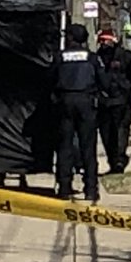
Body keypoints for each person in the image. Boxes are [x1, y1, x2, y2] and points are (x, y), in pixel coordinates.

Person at [52, 24, 108, 203]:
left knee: (64, 146)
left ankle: (64, 187)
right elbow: (104, 82)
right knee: (88, 148)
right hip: (86, 102)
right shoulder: (92, 58)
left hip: (65, 102)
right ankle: (90, 189)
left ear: (70, 38)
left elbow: (49, 79)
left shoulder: (60, 57)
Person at [95, 29, 131, 174]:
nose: (104, 43)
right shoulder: (97, 59)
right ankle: (113, 161)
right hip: (104, 103)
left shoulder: (125, 57)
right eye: (102, 41)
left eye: (107, 40)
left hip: (122, 102)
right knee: (106, 133)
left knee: (121, 132)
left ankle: (119, 160)